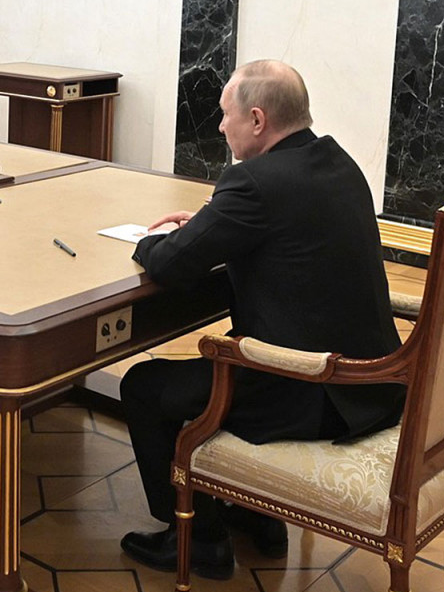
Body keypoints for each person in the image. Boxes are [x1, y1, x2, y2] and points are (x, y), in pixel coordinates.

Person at [119, 59, 405, 579]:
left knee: (143, 385)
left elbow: (170, 264)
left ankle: (197, 539)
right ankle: (258, 520)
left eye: (226, 116)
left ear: (257, 119)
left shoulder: (251, 181)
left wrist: (152, 237)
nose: (220, 127)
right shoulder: (339, 162)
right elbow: (289, 235)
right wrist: (214, 221)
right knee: (230, 352)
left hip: (313, 388)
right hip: (377, 384)